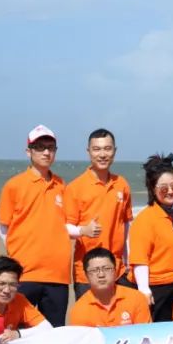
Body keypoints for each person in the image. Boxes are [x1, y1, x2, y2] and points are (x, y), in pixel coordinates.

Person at [0, 125, 72, 326]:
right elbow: (3, 227)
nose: (46, 152)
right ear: (28, 151)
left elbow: (66, 224)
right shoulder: (14, 185)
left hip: (57, 274)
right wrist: (17, 255)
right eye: (40, 147)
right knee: (17, 331)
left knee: (53, 332)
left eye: (51, 147)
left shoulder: (61, 185)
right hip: (25, 273)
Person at [64, 128, 134, 300]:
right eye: (96, 149)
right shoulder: (75, 187)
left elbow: (126, 226)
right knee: (89, 316)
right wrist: (83, 230)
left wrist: (129, 260)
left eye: (107, 149)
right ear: (88, 151)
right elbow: (65, 228)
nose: (102, 154)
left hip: (118, 269)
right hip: (87, 271)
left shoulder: (122, 184)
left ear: (114, 151)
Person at [128, 153, 173, 322]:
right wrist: (144, 289)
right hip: (156, 288)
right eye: (164, 188)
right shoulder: (145, 219)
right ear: (153, 189)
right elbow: (139, 259)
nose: (170, 191)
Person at [68, 247, 151, 327]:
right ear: (86, 275)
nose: (101, 275)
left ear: (115, 271)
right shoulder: (79, 309)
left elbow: (145, 333)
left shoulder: (136, 298)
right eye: (94, 270)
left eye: (107, 269)